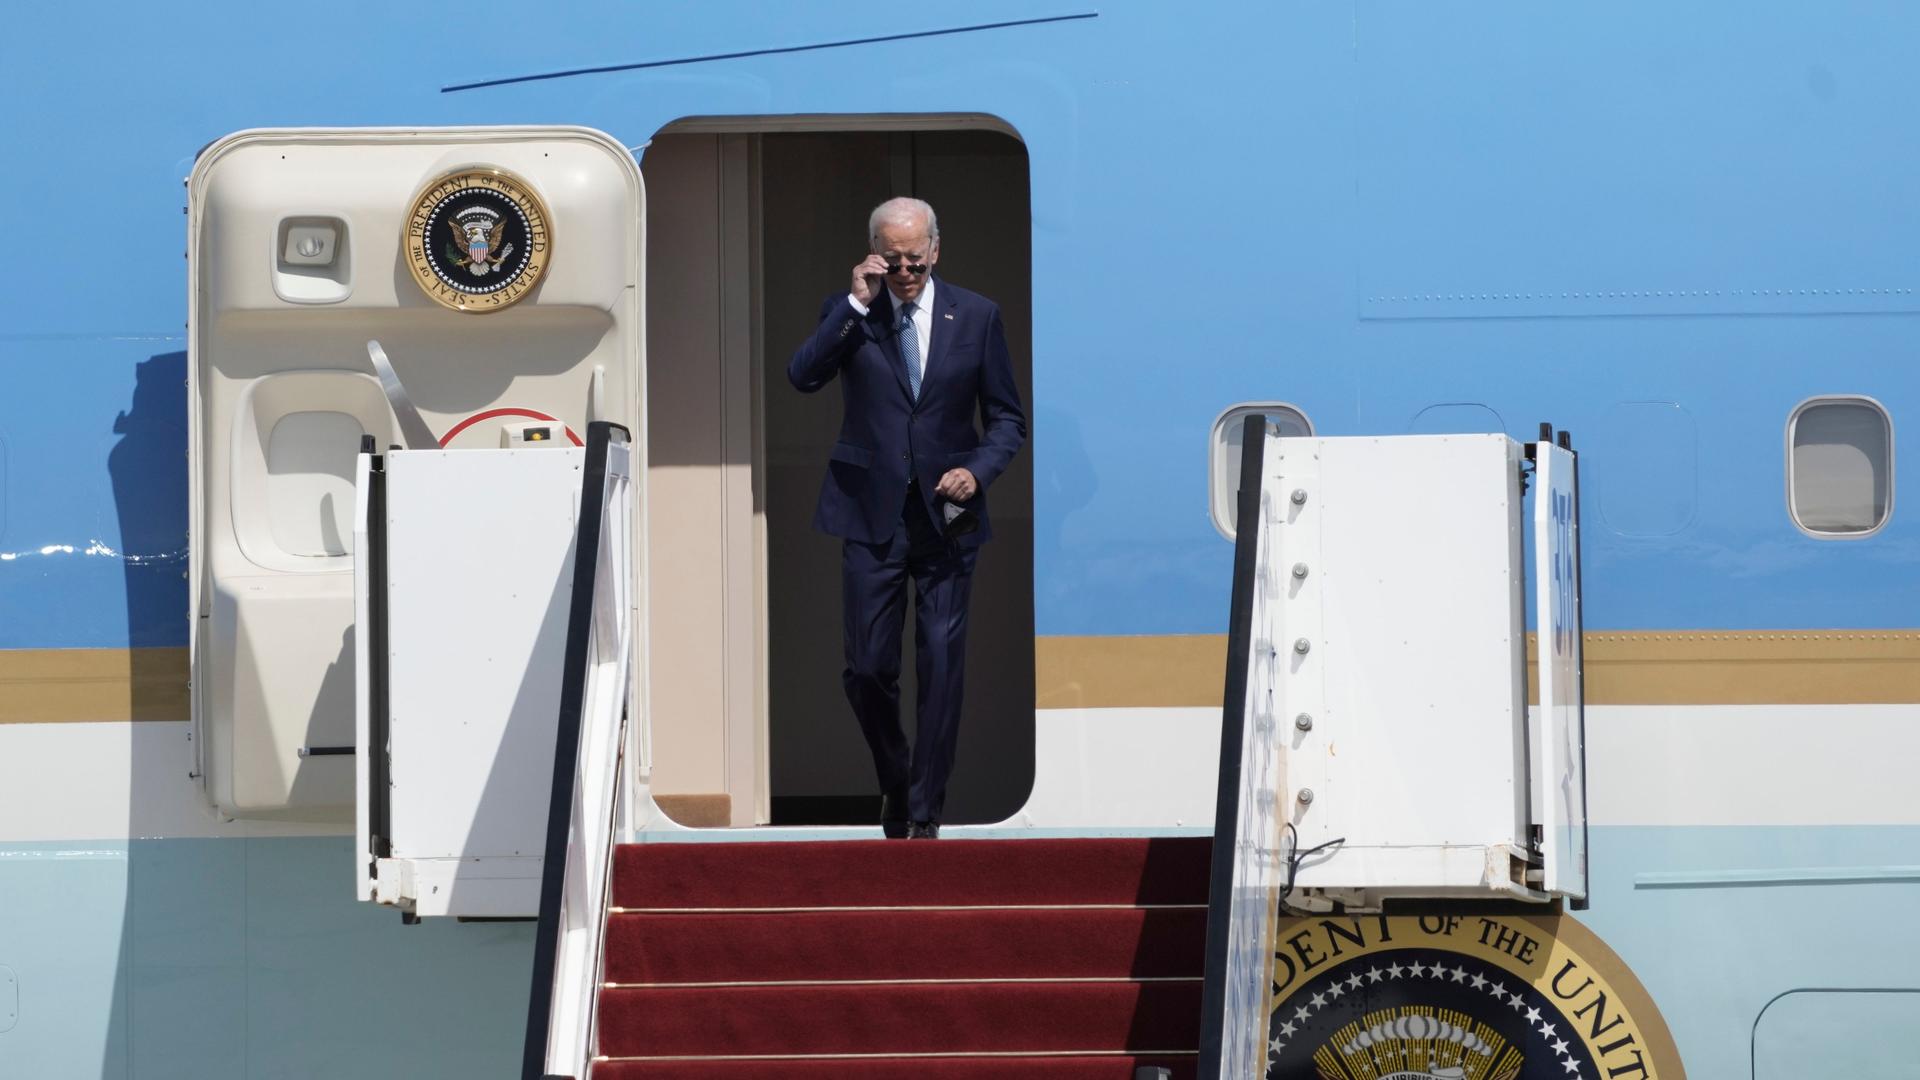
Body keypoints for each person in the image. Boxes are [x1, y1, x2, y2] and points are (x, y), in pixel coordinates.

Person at [788, 197, 1026, 839]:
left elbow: (1007, 419)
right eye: (892, 260)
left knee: (942, 665)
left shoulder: (976, 316)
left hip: (947, 516)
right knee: (866, 667)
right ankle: (895, 776)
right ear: (873, 253)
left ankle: (923, 811)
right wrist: (857, 303)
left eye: (915, 260)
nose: (905, 272)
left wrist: (977, 470)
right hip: (870, 514)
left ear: (936, 250)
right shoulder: (852, 314)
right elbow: (803, 376)